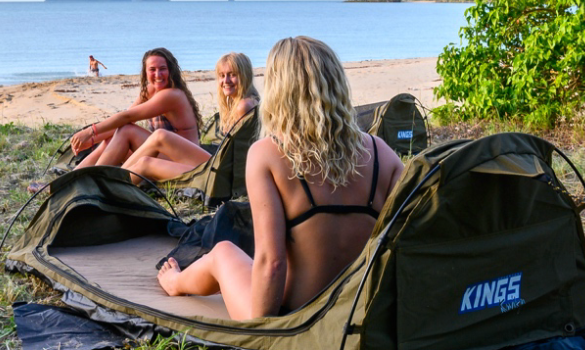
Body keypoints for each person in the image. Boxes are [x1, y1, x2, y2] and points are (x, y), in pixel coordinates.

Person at [157, 36, 404, 320]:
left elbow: (272, 262)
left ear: (278, 88)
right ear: (336, 83)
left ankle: (175, 282)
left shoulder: (268, 154)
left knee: (223, 252)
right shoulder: (381, 152)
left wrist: (267, 333)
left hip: (293, 315)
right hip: (356, 311)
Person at [121, 52, 259, 184]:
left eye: (232, 75)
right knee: (149, 153)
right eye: (222, 76)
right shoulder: (249, 101)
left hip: (221, 178)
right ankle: (111, 182)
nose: (225, 81)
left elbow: (235, 157)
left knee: (150, 155)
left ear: (244, 75)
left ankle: (110, 187)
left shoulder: (244, 106)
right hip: (224, 171)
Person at [70, 47, 203, 169]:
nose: (158, 74)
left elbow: (127, 117)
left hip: (184, 159)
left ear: (170, 70)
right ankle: (75, 178)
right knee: (111, 140)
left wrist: (90, 132)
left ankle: (95, 181)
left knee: (127, 131)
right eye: (152, 69)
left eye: (162, 68)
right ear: (145, 72)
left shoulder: (171, 95)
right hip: (164, 151)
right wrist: (93, 140)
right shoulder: (150, 90)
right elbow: (126, 120)